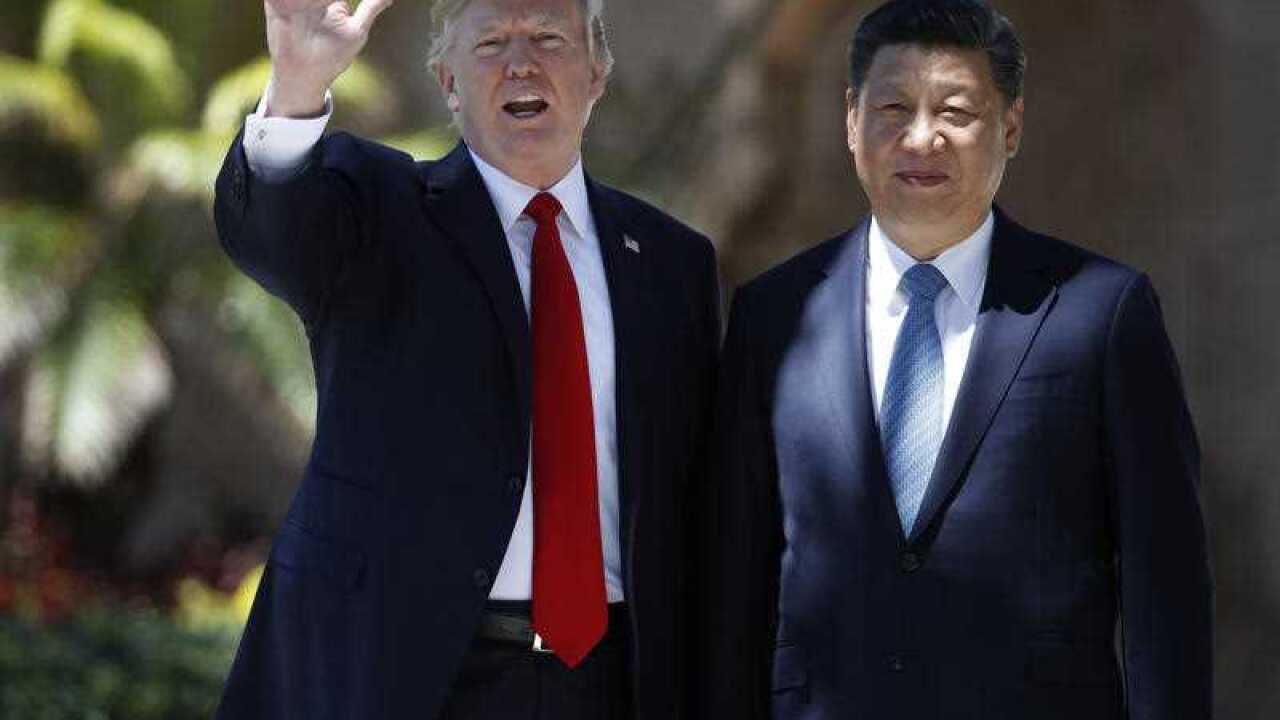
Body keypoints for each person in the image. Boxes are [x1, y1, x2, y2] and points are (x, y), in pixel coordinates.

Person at [701, 1, 1212, 718]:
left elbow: (1168, 590)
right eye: (893, 107)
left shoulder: (1101, 313)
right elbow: (735, 584)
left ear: (1010, 125)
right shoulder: (772, 315)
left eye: (955, 111)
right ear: (852, 120)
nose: (921, 137)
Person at [212, 0, 719, 718]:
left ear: (597, 74)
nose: (522, 62)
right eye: (490, 44)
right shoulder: (382, 212)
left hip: (611, 679)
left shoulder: (672, 262)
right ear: (447, 82)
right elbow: (272, 226)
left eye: (549, 38)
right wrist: (296, 86)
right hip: (416, 674)